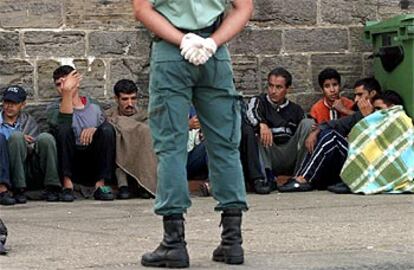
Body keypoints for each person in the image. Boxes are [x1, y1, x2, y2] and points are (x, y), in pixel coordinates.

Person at [132, 0, 253, 267]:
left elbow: (142, 9)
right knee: (224, 147)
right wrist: (211, 43)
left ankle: (174, 243)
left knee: (171, 148)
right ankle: (232, 242)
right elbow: (243, 7)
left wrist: (183, 39)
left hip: (171, 50)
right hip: (215, 52)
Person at [279, 77, 382, 193]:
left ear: (372, 93)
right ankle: (300, 177)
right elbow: (338, 124)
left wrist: (366, 118)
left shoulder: (385, 107)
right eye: (355, 95)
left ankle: (304, 179)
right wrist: (316, 131)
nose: (356, 99)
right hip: (352, 158)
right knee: (325, 133)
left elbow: (380, 137)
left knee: (331, 137)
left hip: (373, 161)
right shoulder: (358, 112)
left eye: (360, 95)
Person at [47, 65, 116, 202]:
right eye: (58, 85)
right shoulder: (54, 108)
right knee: (64, 129)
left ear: (77, 82)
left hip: (92, 160)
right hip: (69, 162)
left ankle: (100, 186)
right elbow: (64, 123)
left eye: (66, 83)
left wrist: (95, 129)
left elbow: (107, 129)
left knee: (107, 130)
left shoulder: (94, 106)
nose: (62, 87)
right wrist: (67, 92)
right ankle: (67, 186)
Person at [245, 67, 314, 193]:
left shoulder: (295, 109)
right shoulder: (259, 101)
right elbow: (250, 114)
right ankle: (267, 177)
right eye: (271, 86)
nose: (273, 91)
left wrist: (313, 133)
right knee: (256, 131)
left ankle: (300, 176)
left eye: (278, 87)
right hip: (269, 151)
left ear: (287, 89)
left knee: (309, 124)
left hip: (289, 152)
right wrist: (262, 124)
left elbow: (309, 126)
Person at [341, 90, 414, 194]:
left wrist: (368, 118)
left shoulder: (398, 118)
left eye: (379, 109)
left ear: (392, 107)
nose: (377, 114)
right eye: (375, 110)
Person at [0, 85, 61, 206]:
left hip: (26, 167)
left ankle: (52, 186)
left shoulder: (28, 121)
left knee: (46, 138)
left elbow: (33, 147)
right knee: (17, 137)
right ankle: (18, 189)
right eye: (7, 102)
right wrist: (16, 139)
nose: (9, 106)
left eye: (14, 103)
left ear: (22, 105)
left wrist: (25, 143)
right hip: (6, 170)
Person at [106, 79, 157, 199]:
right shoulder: (109, 116)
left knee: (146, 131)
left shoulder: (145, 116)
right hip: (117, 165)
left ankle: (145, 185)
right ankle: (123, 185)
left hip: (143, 163)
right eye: (125, 99)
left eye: (133, 98)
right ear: (116, 99)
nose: (130, 103)